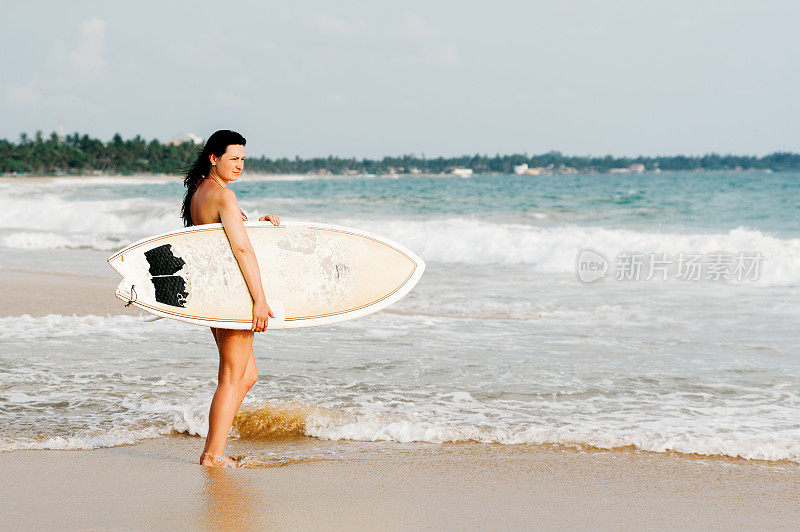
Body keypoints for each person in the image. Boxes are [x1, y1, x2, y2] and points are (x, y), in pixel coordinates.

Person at [180, 129, 281, 468]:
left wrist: (260, 225)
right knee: (231, 376)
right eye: (233, 158)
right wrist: (259, 300)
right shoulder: (225, 195)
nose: (240, 165)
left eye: (242, 159)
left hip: (215, 292)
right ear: (214, 158)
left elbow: (224, 238)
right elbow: (239, 249)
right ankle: (213, 454)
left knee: (247, 374)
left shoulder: (199, 191)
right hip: (233, 295)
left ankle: (215, 445)